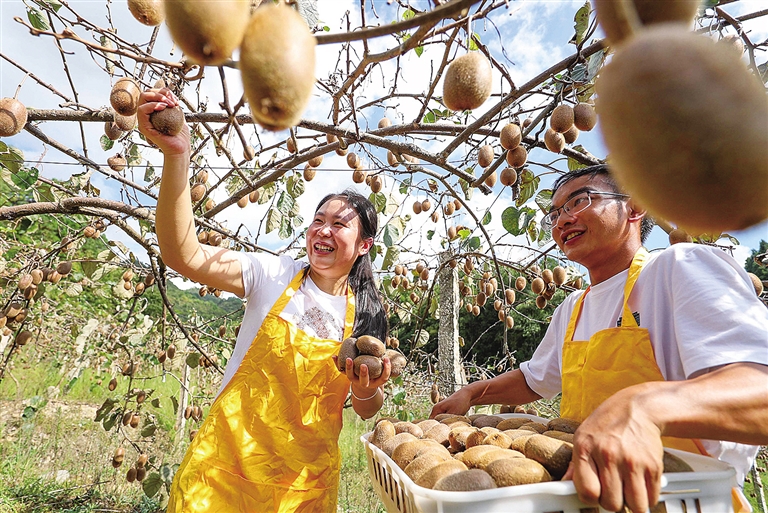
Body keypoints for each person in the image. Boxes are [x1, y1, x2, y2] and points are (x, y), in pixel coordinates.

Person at [431, 164, 768, 513]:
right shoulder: (573, 307)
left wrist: (644, 407)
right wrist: (471, 394)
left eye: (579, 201)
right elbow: (534, 380)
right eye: (555, 214)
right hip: (586, 498)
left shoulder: (680, 268)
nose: (561, 221)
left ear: (635, 207)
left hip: (680, 501)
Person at [137, 87, 391, 513]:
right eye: (317, 221)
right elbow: (185, 254)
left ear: (363, 245)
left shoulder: (366, 317)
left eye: (338, 225)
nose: (323, 231)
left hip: (303, 487)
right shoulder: (271, 274)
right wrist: (176, 156)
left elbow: (364, 410)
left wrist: (369, 389)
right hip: (224, 471)